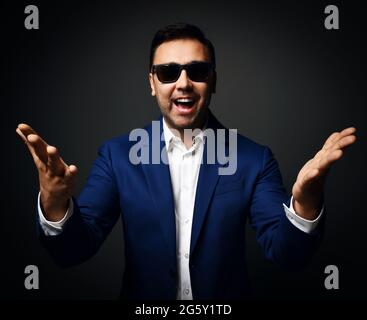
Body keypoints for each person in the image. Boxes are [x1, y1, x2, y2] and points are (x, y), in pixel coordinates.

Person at [16, 23, 356, 300]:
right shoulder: (118, 156)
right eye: (167, 72)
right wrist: (55, 203)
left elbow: (288, 254)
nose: (183, 83)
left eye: (197, 70)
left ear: (213, 80)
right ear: (152, 83)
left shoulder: (253, 159)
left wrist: (306, 203)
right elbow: (74, 250)